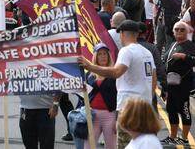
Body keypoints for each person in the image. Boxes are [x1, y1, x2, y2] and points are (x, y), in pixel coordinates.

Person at [78, 20, 157, 149]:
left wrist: (90, 66)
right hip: (144, 107)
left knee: (125, 145)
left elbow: (116, 72)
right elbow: (153, 79)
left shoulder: (126, 51)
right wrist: (148, 99)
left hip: (128, 107)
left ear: (123, 34)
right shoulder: (146, 53)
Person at [160, 22, 195, 146]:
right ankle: (173, 136)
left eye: (182, 30)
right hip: (171, 84)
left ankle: (184, 138)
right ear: (173, 32)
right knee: (171, 109)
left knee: (184, 109)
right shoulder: (172, 44)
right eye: (176, 30)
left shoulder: (190, 45)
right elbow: (164, 60)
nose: (179, 32)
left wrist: (184, 56)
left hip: (183, 85)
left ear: (187, 32)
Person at [84, 43, 117, 149]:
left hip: (110, 116)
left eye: (105, 54)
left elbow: (120, 95)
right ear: (95, 56)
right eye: (100, 54)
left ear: (108, 56)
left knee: (111, 146)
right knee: (88, 146)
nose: (102, 56)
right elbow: (83, 95)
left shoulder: (114, 73)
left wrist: (118, 118)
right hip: (92, 116)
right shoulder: (89, 74)